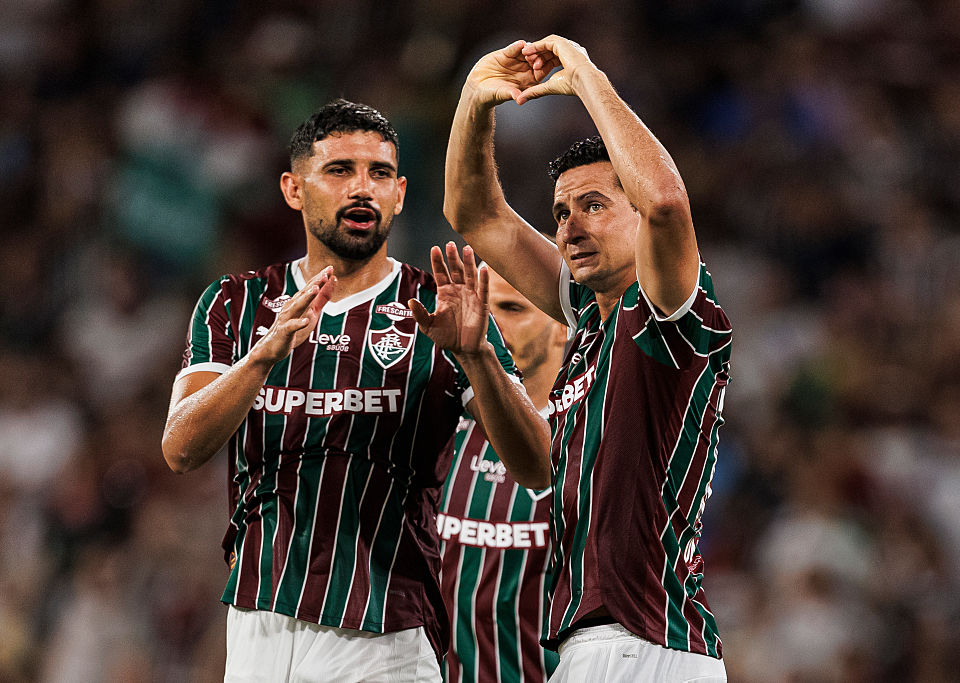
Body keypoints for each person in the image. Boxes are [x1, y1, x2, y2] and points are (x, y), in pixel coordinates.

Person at [161, 99, 550, 682]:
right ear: (294, 189)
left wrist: (477, 356)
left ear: (398, 193)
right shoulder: (235, 304)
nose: (362, 188)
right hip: (258, 624)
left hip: (386, 631)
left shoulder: (438, 305)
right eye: (340, 170)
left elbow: (539, 464)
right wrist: (262, 358)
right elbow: (181, 449)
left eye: (380, 173)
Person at [444, 37, 732, 681]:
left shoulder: (669, 317)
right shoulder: (588, 326)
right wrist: (477, 95)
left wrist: (586, 77)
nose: (570, 226)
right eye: (560, 213)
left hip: (643, 641)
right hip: (599, 644)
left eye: (595, 206)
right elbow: (474, 213)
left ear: (635, 219)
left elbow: (664, 202)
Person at [438, 270, 565, 682]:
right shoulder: (435, 433)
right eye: (484, 309)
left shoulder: (587, 445)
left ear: (568, 328)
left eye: (512, 309)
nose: (488, 325)